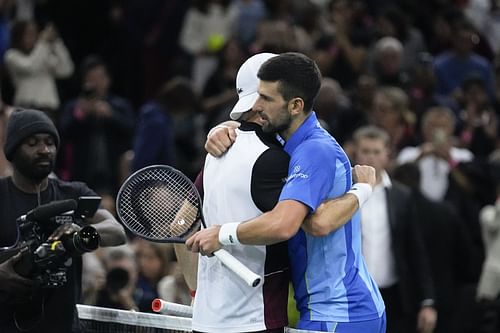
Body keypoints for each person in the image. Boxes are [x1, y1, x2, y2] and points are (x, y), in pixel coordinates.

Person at [187, 52, 385, 332]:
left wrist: (221, 234)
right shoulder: (285, 141)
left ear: (295, 105)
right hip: (321, 308)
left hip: (342, 311)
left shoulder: (315, 150)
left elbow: (310, 223)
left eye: (266, 99)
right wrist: (224, 128)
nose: (257, 105)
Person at [0, 109, 127, 333]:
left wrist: (81, 233)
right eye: (32, 143)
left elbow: (116, 231)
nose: (44, 150)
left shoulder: (73, 193)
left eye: (50, 143)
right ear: (12, 150)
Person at [349, 126, 437, 333]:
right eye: (365, 151)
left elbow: (415, 250)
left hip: (394, 294)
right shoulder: (342, 193)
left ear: (387, 155)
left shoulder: (401, 196)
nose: (370, 157)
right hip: (352, 293)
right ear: (355, 153)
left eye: (376, 151)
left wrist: (427, 301)